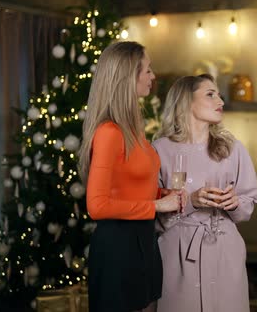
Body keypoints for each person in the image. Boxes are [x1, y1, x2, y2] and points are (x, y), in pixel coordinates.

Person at [79, 41, 182, 312]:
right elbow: (97, 205)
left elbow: (129, 185)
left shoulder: (132, 128)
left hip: (143, 242)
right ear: (127, 77)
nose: (153, 76)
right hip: (118, 250)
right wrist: (156, 206)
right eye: (147, 70)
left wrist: (162, 194)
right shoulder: (110, 132)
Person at [152, 74, 257, 312]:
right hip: (177, 252)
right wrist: (191, 201)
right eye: (210, 94)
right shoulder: (159, 150)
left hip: (224, 249)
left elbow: (247, 205)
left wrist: (234, 203)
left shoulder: (233, 148)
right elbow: (152, 212)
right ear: (185, 100)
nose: (220, 100)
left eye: (219, 94)